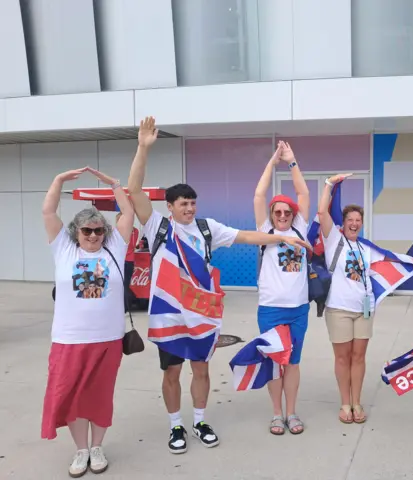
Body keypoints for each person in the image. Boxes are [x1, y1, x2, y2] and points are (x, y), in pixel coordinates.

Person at [127, 117, 310, 454]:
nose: (188, 208)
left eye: (192, 203)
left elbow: (246, 235)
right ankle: (175, 427)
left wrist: (282, 238)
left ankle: (198, 421)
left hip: (201, 317)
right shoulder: (158, 227)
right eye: (182, 204)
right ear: (169, 207)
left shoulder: (207, 228)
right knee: (171, 373)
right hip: (169, 317)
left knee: (201, 370)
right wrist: (142, 148)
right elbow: (135, 191)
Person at [41, 166, 134, 477]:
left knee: (99, 395)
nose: (93, 235)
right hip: (68, 339)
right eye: (87, 231)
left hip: (107, 339)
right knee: (70, 396)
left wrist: (116, 184)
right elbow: (48, 211)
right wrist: (58, 180)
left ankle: (97, 447)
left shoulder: (115, 250)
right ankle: (80, 450)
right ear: (76, 232)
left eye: (98, 230)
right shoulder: (64, 250)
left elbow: (128, 212)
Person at [318, 173, 413, 424]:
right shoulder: (334, 240)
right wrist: (329, 184)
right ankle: (344, 403)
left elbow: (391, 258)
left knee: (359, 357)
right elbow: (322, 212)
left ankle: (357, 402)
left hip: (364, 310)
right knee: (342, 357)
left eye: (358, 220)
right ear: (343, 223)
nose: (355, 223)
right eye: (350, 219)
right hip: (338, 309)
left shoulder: (366, 247)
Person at [253, 141, 311, 436]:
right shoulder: (265, 232)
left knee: (294, 363)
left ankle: (292, 412)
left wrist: (291, 161)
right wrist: (272, 162)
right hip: (271, 308)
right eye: (278, 212)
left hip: (299, 308)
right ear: (272, 214)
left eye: (287, 212)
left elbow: (303, 193)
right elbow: (259, 194)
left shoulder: (300, 228)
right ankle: (277, 414)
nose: (283, 216)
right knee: (275, 363)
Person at [116, 212, 139, 311]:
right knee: (126, 284)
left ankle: (125, 306)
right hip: (131, 260)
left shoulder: (118, 232)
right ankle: (128, 304)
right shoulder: (136, 231)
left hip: (121, 260)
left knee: (121, 284)